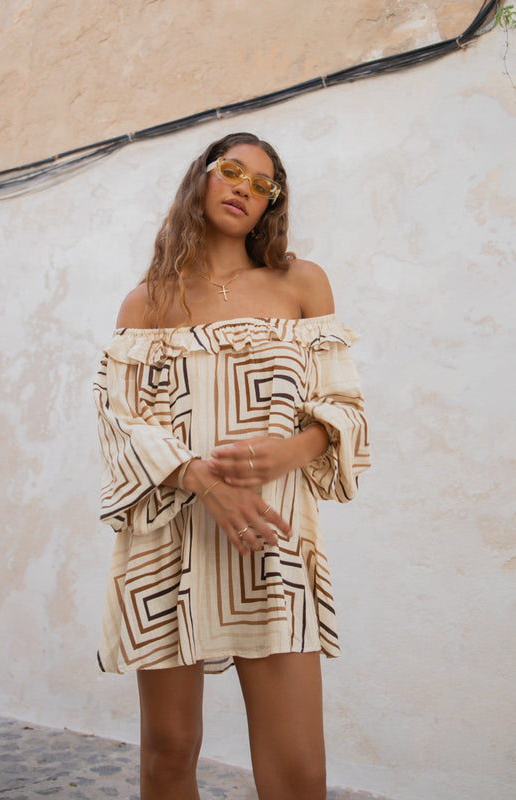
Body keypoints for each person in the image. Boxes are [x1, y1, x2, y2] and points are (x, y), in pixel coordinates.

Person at [94, 131, 370, 800]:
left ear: (272, 203)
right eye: (232, 171)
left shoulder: (301, 283)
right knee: (167, 757)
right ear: (203, 177)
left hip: (271, 539)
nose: (245, 188)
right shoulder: (147, 301)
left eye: (262, 184)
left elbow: (345, 408)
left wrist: (290, 449)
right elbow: (120, 422)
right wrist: (201, 480)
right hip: (170, 539)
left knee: (298, 774)